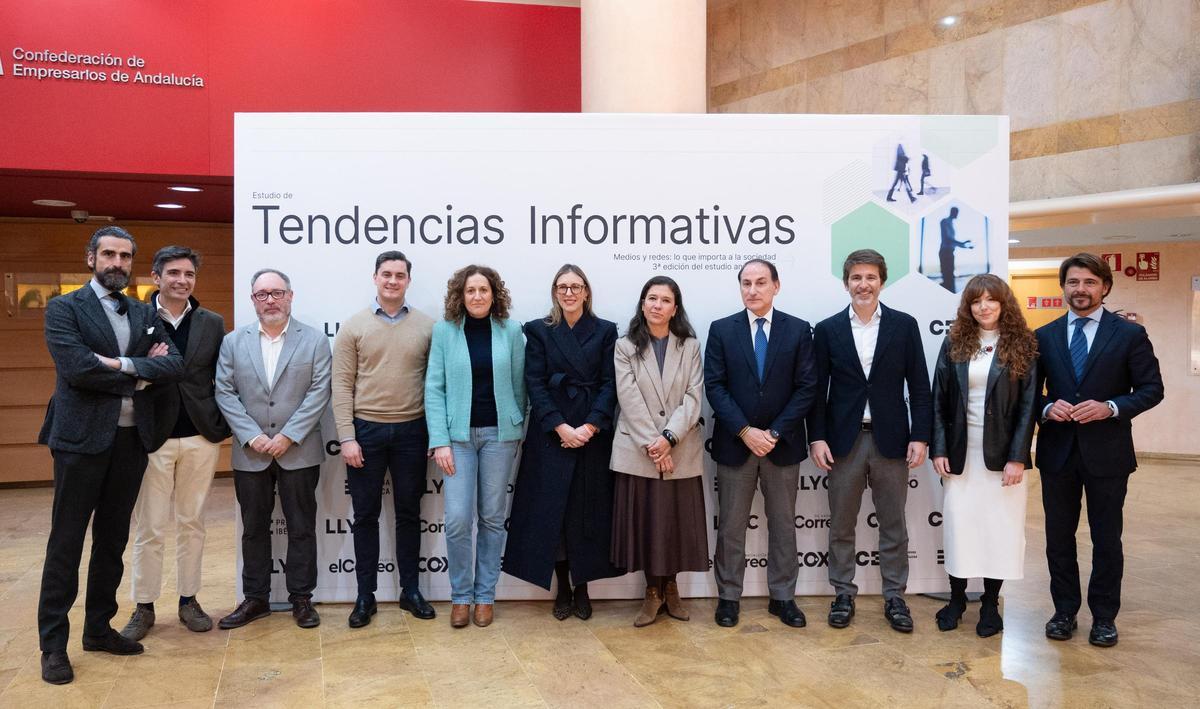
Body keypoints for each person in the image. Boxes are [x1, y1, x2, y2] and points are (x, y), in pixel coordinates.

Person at [37, 226, 184, 685]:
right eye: (109, 254)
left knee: (113, 540)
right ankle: (53, 646)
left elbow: (173, 364)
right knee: (67, 543)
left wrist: (118, 365)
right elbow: (77, 368)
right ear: (91, 258)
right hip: (80, 440)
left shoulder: (142, 311)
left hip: (129, 440)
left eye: (124, 256)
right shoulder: (64, 308)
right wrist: (142, 372)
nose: (117, 262)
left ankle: (98, 629)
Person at [1036, 253, 1163, 647]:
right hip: (1058, 453)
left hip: (1107, 453)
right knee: (1059, 538)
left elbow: (1151, 389)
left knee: (1107, 538)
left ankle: (1104, 617)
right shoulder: (1044, 336)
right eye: (1073, 282)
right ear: (1063, 288)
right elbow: (1029, 394)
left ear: (1105, 287)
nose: (1081, 290)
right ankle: (1064, 611)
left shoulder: (1128, 335)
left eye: (1090, 282)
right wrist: (1046, 407)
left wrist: (1111, 407)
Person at [808, 249, 932, 633]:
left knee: (893, 523)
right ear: (846, 283)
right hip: (844, 442)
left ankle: (895, 595)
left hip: (891, 441)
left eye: (870, 277)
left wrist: (921, 436)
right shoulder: (827, 329)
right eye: (856, 278)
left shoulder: (904, 325)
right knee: (841, 524)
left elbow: (920, 387)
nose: (863, 284)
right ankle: (843, 592)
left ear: (882, 281)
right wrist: (818, 438)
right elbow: (816, 392)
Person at [121, 246, 231, 642]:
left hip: (201, 435)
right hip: (152, 436)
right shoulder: (136, 318)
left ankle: (189, 600)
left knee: (192, 522)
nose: (182, 280)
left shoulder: (212, 323)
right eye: (173, 273)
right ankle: (144, 606)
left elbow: (222, 376)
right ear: (156, 277)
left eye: (188, 274)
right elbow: (127, 370)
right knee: (149, 526)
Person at [214, 268, 332, 630]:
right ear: (252, 300)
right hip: (251, 453)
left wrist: (288, 435)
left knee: (300, 527)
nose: (270, 300)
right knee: (253, 528)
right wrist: (252, 435)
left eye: (277, 293)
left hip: (298, 450)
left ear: (290, 296)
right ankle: (256, 599)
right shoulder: (234, 342)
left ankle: (301, 599)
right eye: (262, 294)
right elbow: (224, 391)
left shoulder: (313, 340)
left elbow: (319, 392)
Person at [504, 264, 623, 620]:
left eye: (575, 286)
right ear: (555, 292)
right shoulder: (539, 330)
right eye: (562, 287)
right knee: (550, 514)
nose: (569, 293)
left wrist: (590, 426)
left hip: (592, 435)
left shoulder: (605, 331)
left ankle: (584, 587)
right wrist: (559, 426)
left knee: (587, 514)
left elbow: (610, 384)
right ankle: (563, 589)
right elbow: (535, 383)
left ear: (586, 292)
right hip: (550, 436)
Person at [706, 260, 817, 629]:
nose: (752, 290)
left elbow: (806, 388)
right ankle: (728, 598)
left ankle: (783, 597)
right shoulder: (721, 330)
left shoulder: (799, 330)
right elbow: (715, 387)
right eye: (746, 283)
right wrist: (744, 431)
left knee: (784, 525)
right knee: (732, 527)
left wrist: (772, 433)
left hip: (781, 446)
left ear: (776, 286)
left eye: (760, 283)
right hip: (735, 445)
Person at [332, 251, 436, 627]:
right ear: (375, 278)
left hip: (413, 430)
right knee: (365, 517)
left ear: (409, 280)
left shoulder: (427, 326)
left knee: (409, 514)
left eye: (400, 275)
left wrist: (434, 435)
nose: (393, 281)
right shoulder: (354, 326)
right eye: (386, 274)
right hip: (366, 432)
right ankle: (365, 596)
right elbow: (341, 385)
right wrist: (347, 437)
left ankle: (410, 591)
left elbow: (434, 386)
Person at [930, 274, 1038, 637]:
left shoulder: (1023, 344)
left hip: (1002, 458)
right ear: (968, 307)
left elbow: (1028, 407)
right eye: (976, 301)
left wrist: (1018, 457)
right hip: (962, 456)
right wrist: (939, 448)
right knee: (960, 528)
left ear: (1004, 303)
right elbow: (939, 402)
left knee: (1000, 530)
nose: (984, 307)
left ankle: (990, 604)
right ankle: (957, 599)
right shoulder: (955, 343)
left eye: (991, 300)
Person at [426, 265, 526, 628]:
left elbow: (520, 386)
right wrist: (439, 441)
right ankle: (460, 596)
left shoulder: (511, 331)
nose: (478, 296)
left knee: (492, 518)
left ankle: (485, 595)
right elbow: (434, 389)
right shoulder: (444, 331)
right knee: (456, 520)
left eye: (484, 290)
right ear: (460, 295)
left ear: (494, 294)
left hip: (500, 437)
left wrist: (514, 428)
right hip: (457, 439)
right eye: (471, 291)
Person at [611, 276, 708, 627]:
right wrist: (654, 444)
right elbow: (628, 397)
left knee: (676, 525)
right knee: (648, 524)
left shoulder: (691, 346)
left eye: (665, 300)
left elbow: (694, 397)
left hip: (679, 449)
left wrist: (669, 438)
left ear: (675, 308)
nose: (657, 305)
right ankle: (651, 593)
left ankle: (671, 588)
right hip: (640, 450)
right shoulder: (625, 346)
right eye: (651, 298)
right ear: (642, 304)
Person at [938, 207, 973, 293]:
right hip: (945, 253)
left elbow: (952, 242)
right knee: (948, 278)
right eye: (956, 212)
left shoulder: (951, 224)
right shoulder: (945, 221)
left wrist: (966, 246)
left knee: (950, 277)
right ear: (953, 212)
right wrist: (963, 243)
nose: (957, 215)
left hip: (950, 253)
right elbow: (948, 239)